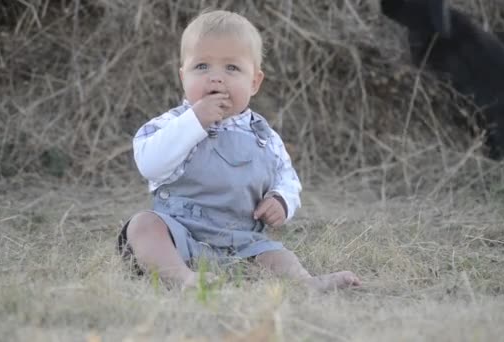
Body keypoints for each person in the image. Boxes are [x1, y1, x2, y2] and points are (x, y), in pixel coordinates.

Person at [117, 9, 361, 292]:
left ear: (254, 82)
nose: (216, 78)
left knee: (279, 256)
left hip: (242, 242)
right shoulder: (170, 125)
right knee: (142, 225)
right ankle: (184, 278)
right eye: (202, 67)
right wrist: (194, 121)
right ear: (183, 77)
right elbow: (150, 164)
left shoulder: (264, 136)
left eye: (231, 68)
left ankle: (306, 283)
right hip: (180, 234)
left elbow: (287, 177)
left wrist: (281, 200)